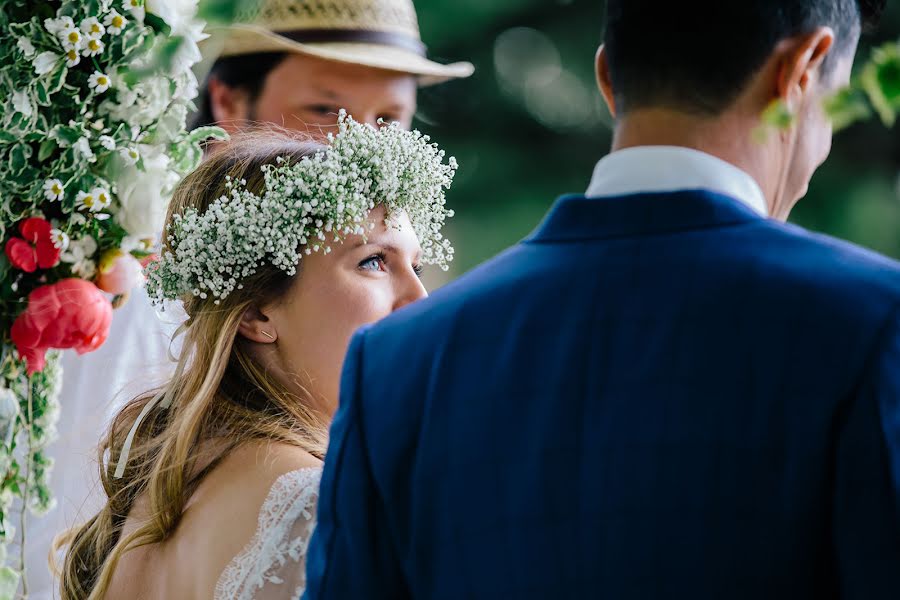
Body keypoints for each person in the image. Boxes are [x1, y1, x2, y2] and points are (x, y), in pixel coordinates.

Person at [305, 1, 900, 599]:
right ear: (802, 72)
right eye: (837, 108)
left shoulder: (398, 364)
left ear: (608, 77)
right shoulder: (874, 323)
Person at [34, 1, 471, 597]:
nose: (420, 301)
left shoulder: (160, 485)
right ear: (255, 311)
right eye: (373, 262)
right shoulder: (314, 508)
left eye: (390, 118)